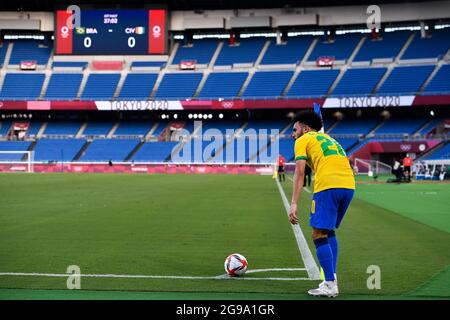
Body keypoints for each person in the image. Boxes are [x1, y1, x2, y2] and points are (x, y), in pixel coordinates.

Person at [289, 110, 355, 298]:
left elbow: (300, 173)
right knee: (328, 231)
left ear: (306, 128)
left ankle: (330, 284)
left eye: (295, 130)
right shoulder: (329, 139)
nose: (292, 134)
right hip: (348, 186)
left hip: (328, 185)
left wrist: (293, 203)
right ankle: (331, 278)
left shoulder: (303, 140)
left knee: (318, 234)